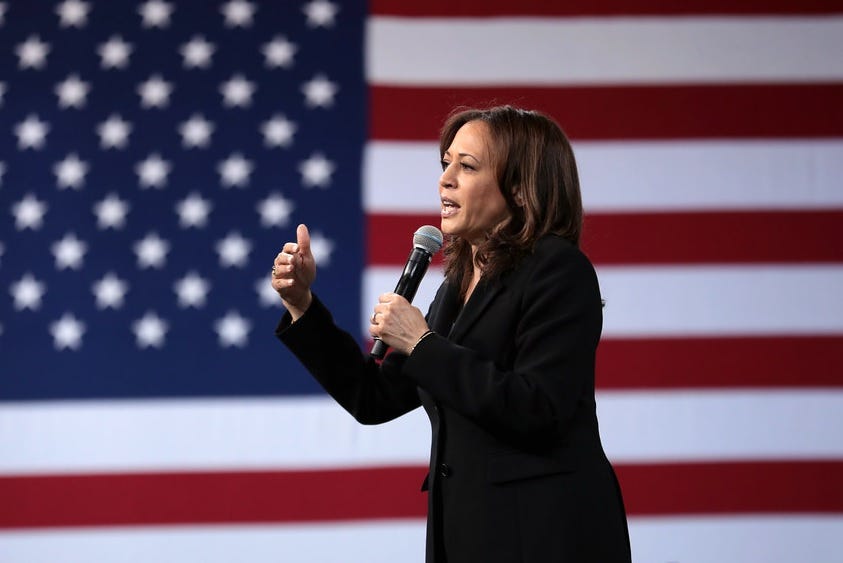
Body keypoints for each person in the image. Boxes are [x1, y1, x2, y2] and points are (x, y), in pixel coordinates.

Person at [270, 105, 631, 562]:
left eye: (468, 166)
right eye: (446, 164)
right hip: (467, 537)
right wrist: (302, 304)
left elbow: (538, 408)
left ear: (520, 188)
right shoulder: (457, 286)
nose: (445, 179)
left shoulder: (558, 270)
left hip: (544, 535)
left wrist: (422, 344)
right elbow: (374, 397)